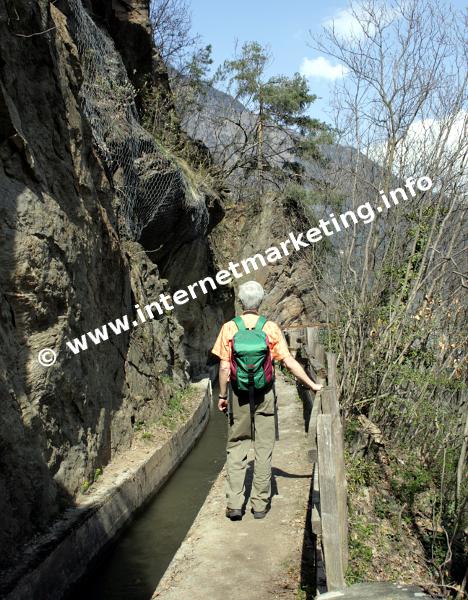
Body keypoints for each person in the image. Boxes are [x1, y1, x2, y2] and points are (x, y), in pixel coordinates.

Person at [211, 280, 323, 521]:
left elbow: (223, 368)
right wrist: (312, 385)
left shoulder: (229, 328)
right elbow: (290, 362)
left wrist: (222, 396)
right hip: (264, 394)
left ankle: (234, 505)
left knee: (236, 447)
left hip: (238, 394)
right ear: (260, 302)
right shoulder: (270, 328)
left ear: (241, 302)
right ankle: (260, 505)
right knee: (263, 449)